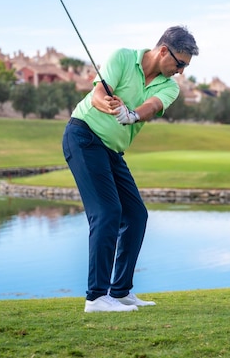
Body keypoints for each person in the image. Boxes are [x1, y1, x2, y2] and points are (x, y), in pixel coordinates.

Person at [62, 26, 199, 312]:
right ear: (163, 51)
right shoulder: (123, 58)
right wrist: (109, 107)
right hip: (84, 136)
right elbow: (98, 94)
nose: (181, 71)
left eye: (185, 66)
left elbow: (152, 106)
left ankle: (120, 291)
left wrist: (132, 115)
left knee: (136, 215)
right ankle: (97, 298)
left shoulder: (168, 85)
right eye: (180, 63)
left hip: (112, 149)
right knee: (107, 212)